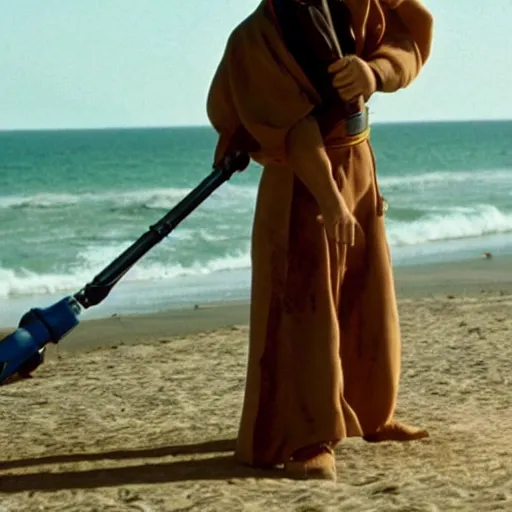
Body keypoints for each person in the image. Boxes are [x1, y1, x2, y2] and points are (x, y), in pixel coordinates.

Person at [206, 0, 434, 481]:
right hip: (301, 180)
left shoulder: (357, 2)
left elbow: (406, 38)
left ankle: (372, 413)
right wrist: (329, 199)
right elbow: (292, 128)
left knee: (368, 291)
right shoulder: (255, 36)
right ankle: (308, 437)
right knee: (302, 306)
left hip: (358, 160)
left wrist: (375, 73)